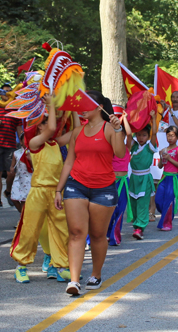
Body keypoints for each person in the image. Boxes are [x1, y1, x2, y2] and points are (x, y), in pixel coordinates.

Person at [54, 90, 125, 295]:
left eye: (85, 104)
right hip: (76, 185)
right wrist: (59, 189)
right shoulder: (77, 131)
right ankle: (74, 281)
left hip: (104, 188)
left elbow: (120, 153)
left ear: (98, 106)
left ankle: (96, 274)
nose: (81, 108)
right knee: (76, 233)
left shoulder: (109, 128)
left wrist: (119, 129)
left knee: (97, 234)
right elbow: (69, 161)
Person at [10, 96, 76, 284]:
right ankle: (21, 266)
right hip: (38, 192)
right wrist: (51, 105)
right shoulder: (34, 144)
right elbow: (53, 128)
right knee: (30, 229)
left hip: (56, 193)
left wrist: (74, 110)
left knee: (60, 229)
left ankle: (61, 266)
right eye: (45, 122)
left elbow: (75, 132)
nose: (50, 125)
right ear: (39, 126)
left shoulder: (55, 144)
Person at [128, 111, 158, 240]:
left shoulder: (150, 147)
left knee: (142, 203)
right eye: (139, 135)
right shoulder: (133, 146)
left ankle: (140, 227)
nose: (141, 138)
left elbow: (155, 133)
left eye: (144, 135)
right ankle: (136, 226)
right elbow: (128, 135)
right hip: (134, 178)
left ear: (148, 136)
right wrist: (126, 118)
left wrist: (153, 118)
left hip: (145, 179)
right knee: (134, 203)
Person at [107, 112, 133, 246]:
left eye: (121, 133)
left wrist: (125, 120)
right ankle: (106, 234)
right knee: (109, 209)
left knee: (120, 209)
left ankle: (115, 236)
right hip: (111, 182)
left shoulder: (127, 148)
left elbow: (129, 134)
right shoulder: (110, 148)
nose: (121, 136)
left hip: (123, 182)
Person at [161, 91, 178, 208]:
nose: (175, 99)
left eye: (177, 97)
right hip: (168, 142)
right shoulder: (167, 111)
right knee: (167, 167)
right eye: (173, 97)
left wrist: (171, 113)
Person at [156, 126, 178, 231]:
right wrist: (162, 158)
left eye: (172, 135)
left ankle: (167, 223)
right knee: (158, 199)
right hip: (164, 177)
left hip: (173, 178)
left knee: (169, 200)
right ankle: (166, 215)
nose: (170, 138)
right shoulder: (164, 150)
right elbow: (160, 166)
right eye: (168, 135)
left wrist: (169, 158)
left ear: (177, 137)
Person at [9, 133, 32, 213]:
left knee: (24, 200)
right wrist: (12, 169)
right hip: (18, 178)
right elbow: (13, 165)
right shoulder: (16, 153)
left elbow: (35, 166)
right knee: (14, 198)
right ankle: (22, 215)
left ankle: (24, 220)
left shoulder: (33, 152)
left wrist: (30, 159)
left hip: (29, 178)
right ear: (21, 142)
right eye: (24, 140)